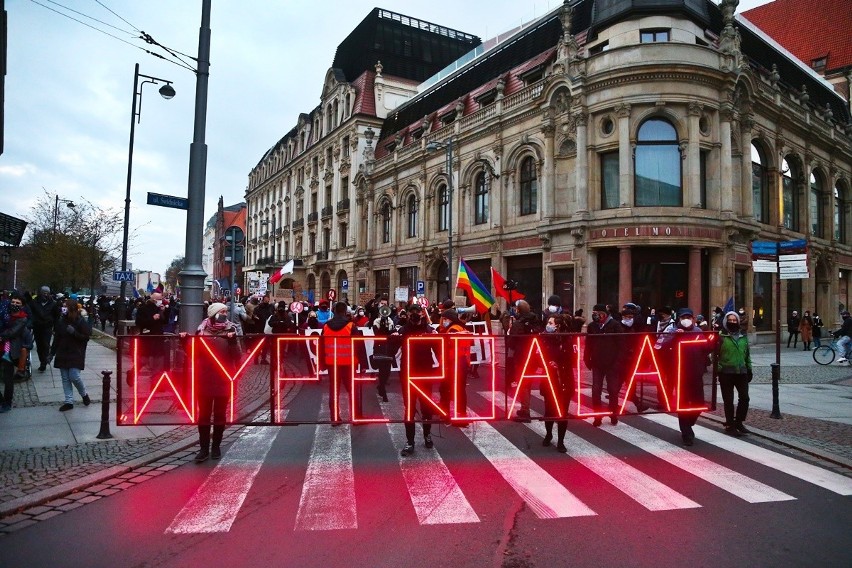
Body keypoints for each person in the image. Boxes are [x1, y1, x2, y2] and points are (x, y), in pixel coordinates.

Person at [188, 302, 242, 462]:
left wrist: (232, 343)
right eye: (221, 311)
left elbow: (237, 356)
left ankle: (216, 446)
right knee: (204, 414)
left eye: (226, 311)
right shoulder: (201, 330)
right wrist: (186, 341)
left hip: (223, 377)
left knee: (219, 414)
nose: (224, 314)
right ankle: (203, 448)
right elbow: (193, 354)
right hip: (204, 377)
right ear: (213, 314)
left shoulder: (231, 329)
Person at [661, 308, 710, 445]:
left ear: (693, 319)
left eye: (689, 317)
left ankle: (689, 422)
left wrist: (713, 343)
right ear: (679, 319)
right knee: (682, 404)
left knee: (699, 404)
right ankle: (686, 433)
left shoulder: (698, 331)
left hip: (696, 372)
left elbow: (705, 349)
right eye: (683, 318)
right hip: (680, 373)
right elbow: (664, 347)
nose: (686, 320)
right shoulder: (673, 331)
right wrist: (675, 337)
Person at [399, 303, 437, 456]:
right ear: (408, 314)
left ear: (422, 313)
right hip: (408, 373)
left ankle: (427, 435)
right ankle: (410, 441)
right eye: (412, 311)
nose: (415, 313)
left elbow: (439, 348)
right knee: (409, 408)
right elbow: (392, 348)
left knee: (426, 407)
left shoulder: (428, 330)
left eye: (417, 311)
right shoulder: (403, 330)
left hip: (425, 373)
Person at [321, 301, 362, 425]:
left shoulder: (326, 327)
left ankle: (334, 417)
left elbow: (322, 346)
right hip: (349, 363)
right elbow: (358, 346)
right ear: (345, 311)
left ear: (333, 311)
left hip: (332, 363)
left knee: (334, 390)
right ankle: (355, 417)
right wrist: (362, 363)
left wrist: (322, 362)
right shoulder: (351, 326)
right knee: (352, 390)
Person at [584, 303, 623, 426]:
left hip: (612, 363)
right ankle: (597, 416)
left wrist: (617, 362)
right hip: (597, 363)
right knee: (596, 390)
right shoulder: (592, 326)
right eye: (593, 314)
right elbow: (588, 344)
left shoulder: (615, 325)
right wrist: (587, 359)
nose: (595, 316)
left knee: (612, 390)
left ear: (604, 314)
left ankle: (613, 414)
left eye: (597, 314)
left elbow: (622, 345)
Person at [716, 310, 752, 436]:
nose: (732, 322)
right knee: (728, 400)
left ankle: (739, 422)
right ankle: (730, 424)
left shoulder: (743, 335)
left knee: (745, 398)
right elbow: (714, 355)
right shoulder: (721, 336)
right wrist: (719, 368)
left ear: (738, 321)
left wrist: (749, 368)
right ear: (726, 321)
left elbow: (747, 353)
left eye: (734, 320)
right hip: (726, 372)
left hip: (741, 371)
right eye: (730, 320)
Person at [52, 298, 92, 411]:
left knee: (74, 376)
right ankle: (68, 401)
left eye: (66, 306)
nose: (63, 308)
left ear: (72, 308)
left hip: (76, 352)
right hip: (63, 352)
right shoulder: (61, 321)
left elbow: (86, 337)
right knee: (65, 378)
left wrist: (74, 333)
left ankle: (84, 394)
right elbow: (57, 338)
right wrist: (51, 353)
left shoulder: (80, 321)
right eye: (63, 306)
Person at [540, 314, 572, 452]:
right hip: (549, 378)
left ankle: (561, 441)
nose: (548, 325)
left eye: (551, 323)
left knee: (563, 412)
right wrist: (547, 363)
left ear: (558, 326)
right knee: (549, 411)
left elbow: (571, 358)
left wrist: (558, 363)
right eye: (548, 322)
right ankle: (548, 434)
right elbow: (538, 356)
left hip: (564, 379)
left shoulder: (567, 340)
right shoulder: (544, 339)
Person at [507, 300, 542, 421]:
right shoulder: (536, 321)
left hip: (522, 357)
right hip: (534, 357)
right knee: (528, 382)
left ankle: (525, 410)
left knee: (523, 383)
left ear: (518, 310)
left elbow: (511, 342)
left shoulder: (517, 324)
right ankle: (525, 408)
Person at [437, 308, 473, 424]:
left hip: (453, 362)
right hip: (462, 362)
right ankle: (461, 414)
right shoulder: (461, 328)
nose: (442, 321)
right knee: (460, 390)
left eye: (444, 319)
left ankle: (445, 414)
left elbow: (449, 345)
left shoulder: (453, 330)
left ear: (449, 319)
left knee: (445, 389)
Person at [1, 294, 32, 412]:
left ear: (22, 306)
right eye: (13, 302)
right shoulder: (5, 314)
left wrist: (1, 336)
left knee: (7, 378)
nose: (14, 304)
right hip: (1, 348)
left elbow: (12, 333)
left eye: (18, 303)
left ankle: (7, 403)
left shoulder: (22, 319)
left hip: (10, 351)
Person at [26, 286, 60, 372]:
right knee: (39, 346)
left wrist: (56, 328)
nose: (45, 294)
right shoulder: (34, 302)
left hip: (47, 327)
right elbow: (30, 313)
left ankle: (44, 362)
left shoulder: (53, 303)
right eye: (44, 293)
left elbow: (56, 316)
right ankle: (42, 360)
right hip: (37, 327)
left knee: (46, 344)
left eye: (47, 293)